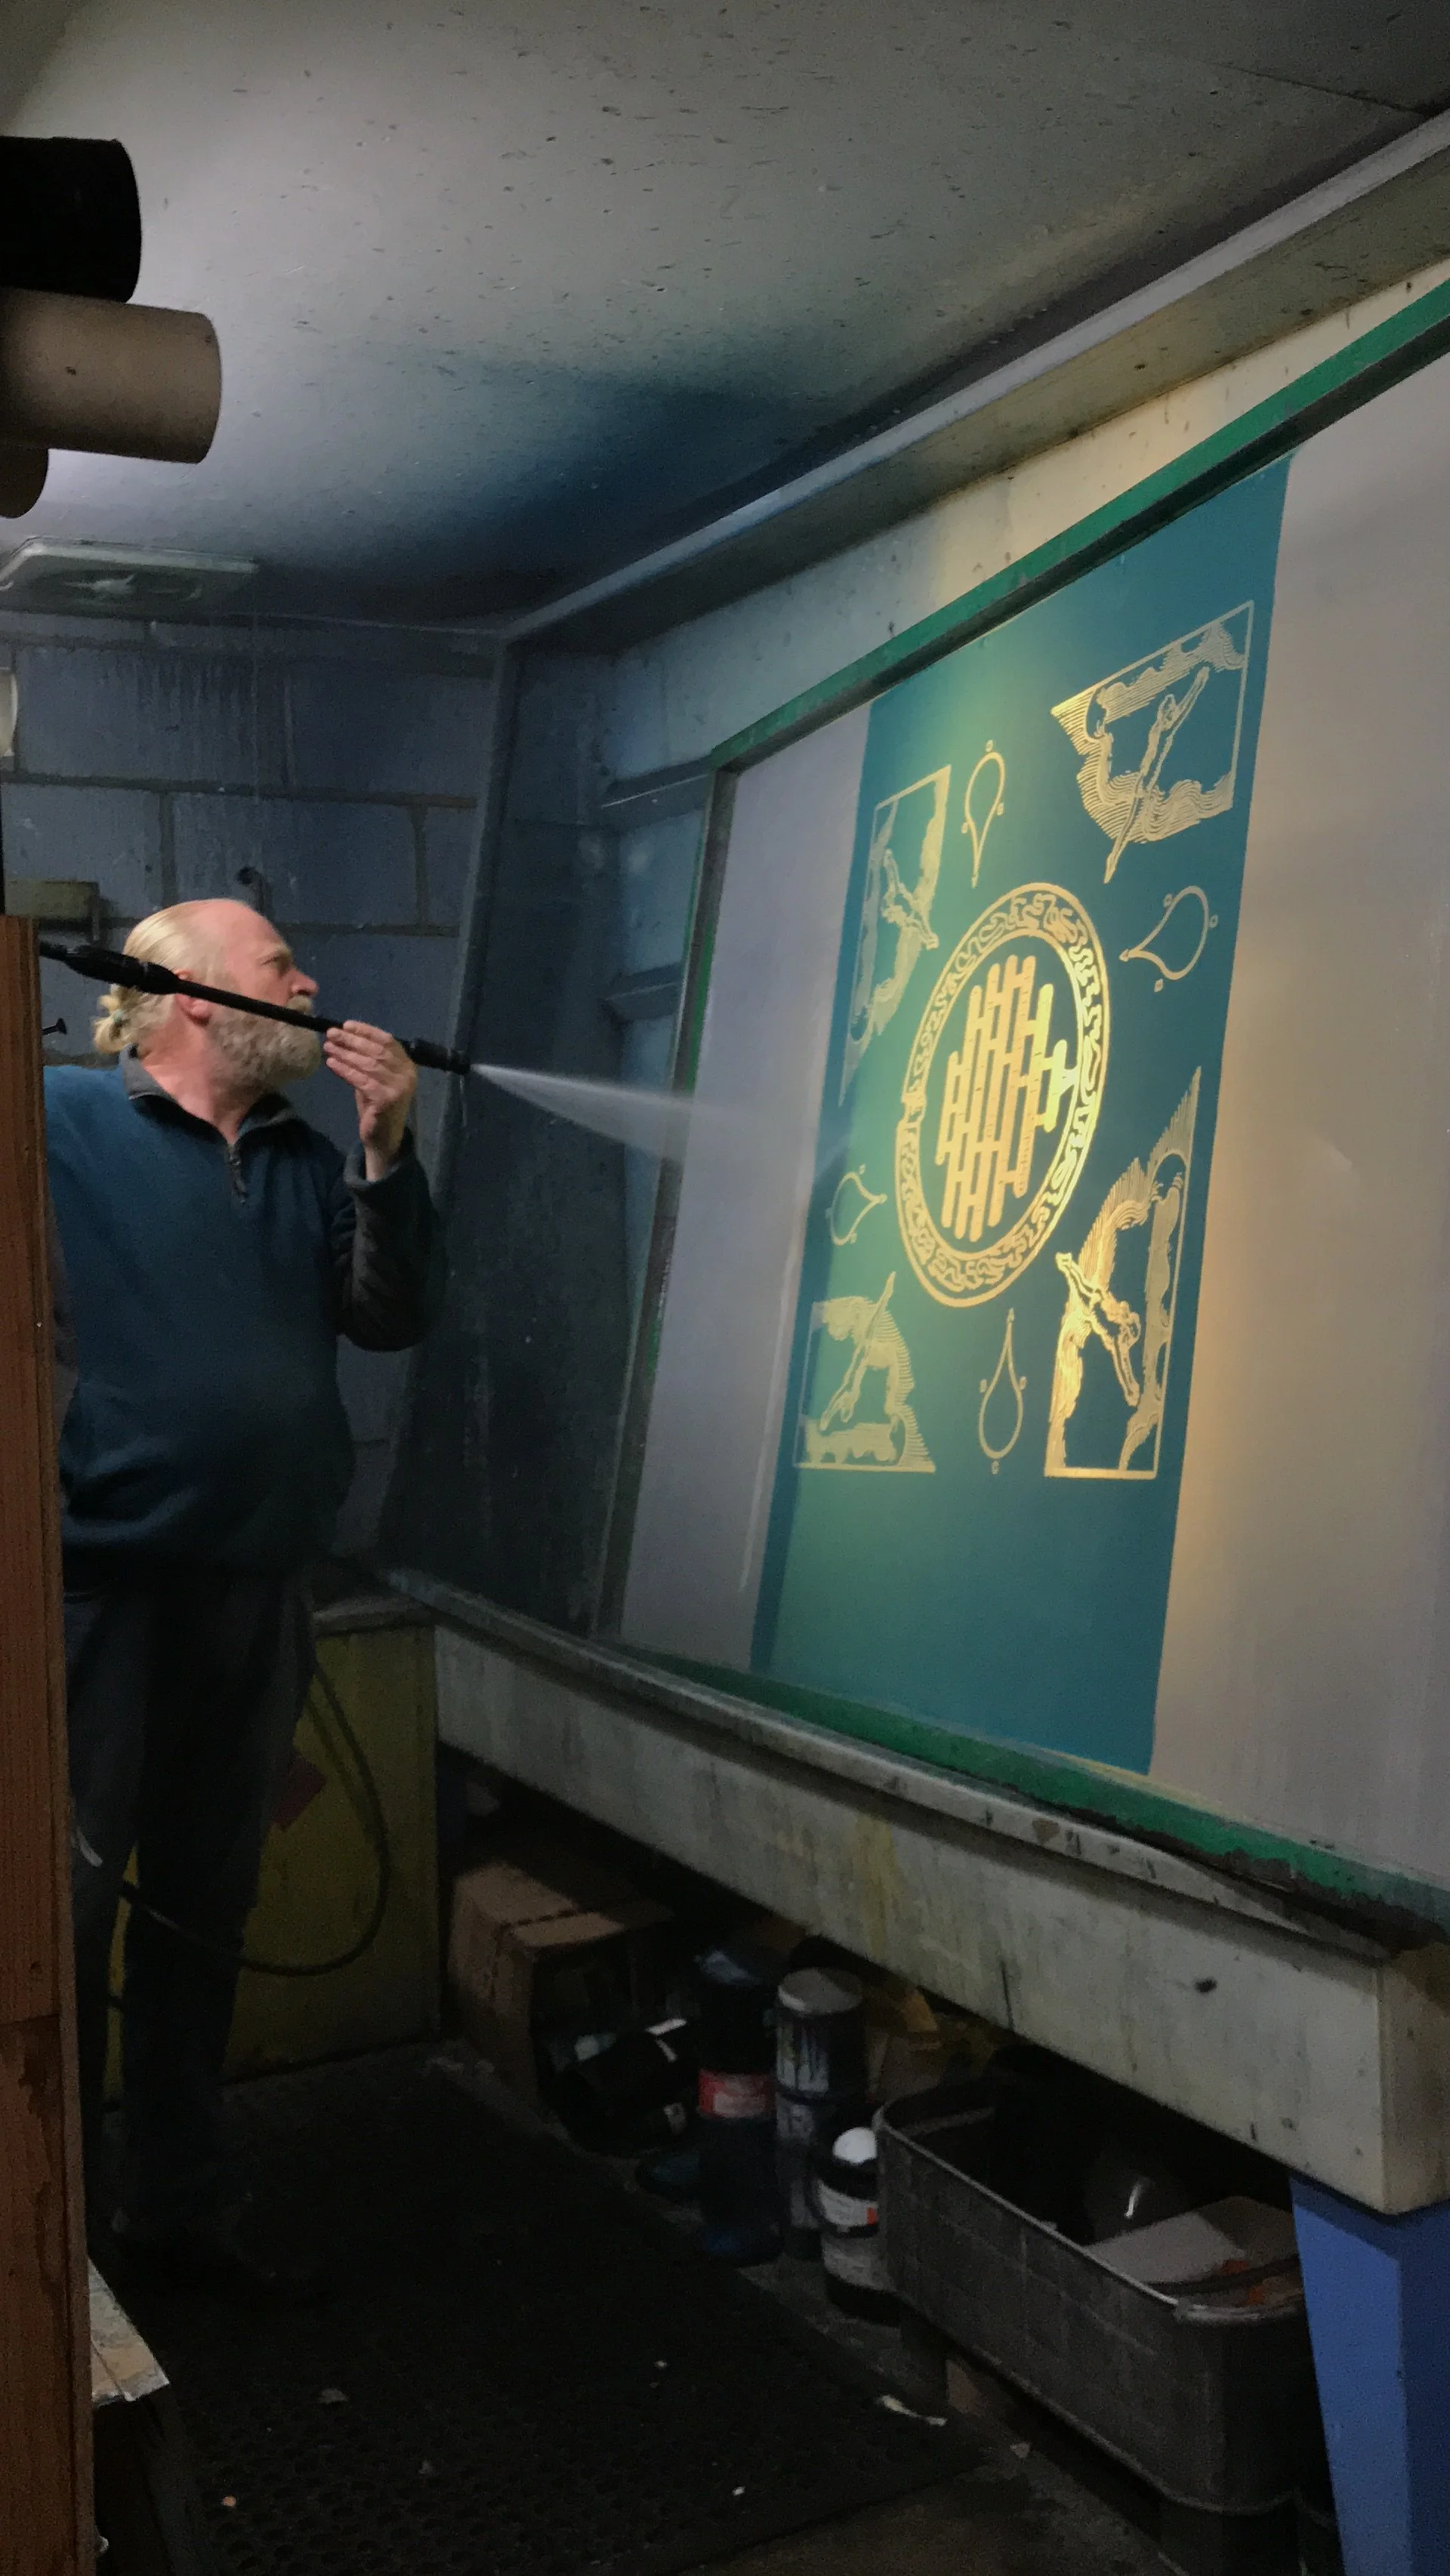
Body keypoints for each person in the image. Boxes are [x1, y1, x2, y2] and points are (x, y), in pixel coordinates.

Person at [45, 898, 442, 2299]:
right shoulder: (60, 1123)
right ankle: (61, 2251)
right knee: (65, 1923)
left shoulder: (301, 1158)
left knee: (202, 1913)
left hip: (256, 1590)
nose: (313, 982)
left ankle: (179, 2209)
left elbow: (388, 1316)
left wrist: (388, 1149)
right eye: (283, 966)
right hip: (97, 1595)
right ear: (196, 995)